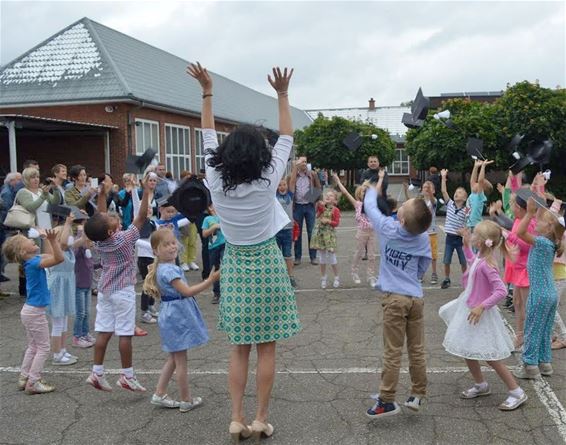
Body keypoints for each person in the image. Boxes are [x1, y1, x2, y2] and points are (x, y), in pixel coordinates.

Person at [188, 62, 301, 442]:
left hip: (234, 261)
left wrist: (207, 92)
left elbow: (206, 133)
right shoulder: (269, 179)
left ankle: (236, 418)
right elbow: (286, 135)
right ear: (260, 156)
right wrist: (282, 94)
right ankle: (260, 418)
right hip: (267, 261)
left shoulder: (216, 178)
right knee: (267, 346)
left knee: (239, 349)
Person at [363, 169, 432, 419]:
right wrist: (413, 277)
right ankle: (417, 394)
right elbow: (424, 264)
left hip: (395, 300)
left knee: (392, 351)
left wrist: (372, 189)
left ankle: (387, 400)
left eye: (403, 207)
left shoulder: (388, 228)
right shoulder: (422, 236)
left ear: (401, 220)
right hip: (416, 298)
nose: (401, 206)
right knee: (417, 349)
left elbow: (370, 206)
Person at [439, 221, 527, 410]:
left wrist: (482, 306)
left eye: (475, 235)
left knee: (491, 357)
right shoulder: (481, 256)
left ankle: (516, 391)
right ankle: (481, 384)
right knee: (467, 350)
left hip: (481, 315)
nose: (472, 237)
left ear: (482, 242)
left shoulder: (488, 264)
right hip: (470, 310)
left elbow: (501, 291)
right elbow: (472, 262)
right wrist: (465, 246)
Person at [84, 175, 151, 392]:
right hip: (122, 290)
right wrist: (145, 191)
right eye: (114, 221)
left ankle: (97, 372)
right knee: (125, 333)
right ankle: (127, 375)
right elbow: (141, 217)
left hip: (105, 289)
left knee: (103, 331)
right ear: (112, 231)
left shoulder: (99, 239)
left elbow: (100, 218)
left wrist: (102, 194)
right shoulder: (123, 239)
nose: (115, 218)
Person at [143, 228, 219, 412]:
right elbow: (187, 292)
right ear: (155, 251)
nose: (172, 247)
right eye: (166, 244)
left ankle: (159, 393)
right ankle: (186, 399)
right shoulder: (169, 270)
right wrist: (210, 280)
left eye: (173, 242)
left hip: (172, 314)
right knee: (181, 361)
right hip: (176, 315)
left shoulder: (164, 268)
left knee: (174, 358)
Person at [2, 228, 64, 394]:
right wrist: (52, 240)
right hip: (34, 313)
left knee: (33, 346)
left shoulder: (33, 261)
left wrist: (47, 239)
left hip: (30, 311)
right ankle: (33, 382)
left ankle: (24, 377)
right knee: (43, 347)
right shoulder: (34, 264)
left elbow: (50, 256)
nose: (32, 241)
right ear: (23, 251)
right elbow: (59, 258)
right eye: (28, 241)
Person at [514, 198, 565, 379]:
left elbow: (520, 232)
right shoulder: (551, 243)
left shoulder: (543, 243)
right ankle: (545, 364)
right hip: (549, 294)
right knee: (544, 330)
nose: (537, 219)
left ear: (549, 228)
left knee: (533, 329)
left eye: (541, 219)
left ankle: (530, 366)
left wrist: (528, 213)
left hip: (540, 294)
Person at [503, 190, 536, 350]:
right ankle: (520, 334)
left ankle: (529, 338)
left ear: (521, 207)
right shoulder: (518, 219)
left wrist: (507, 235)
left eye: (513, 205)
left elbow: (527, 244)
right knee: (516, 302)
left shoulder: (529, 222)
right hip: (517, 267)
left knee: (526, 305)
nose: (511, 208)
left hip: (525, 268)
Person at [333, 173, 375, 287]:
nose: (365, 194)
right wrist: (338, 181)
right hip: (362, 232)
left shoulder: (372, 205)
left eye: (367, 192)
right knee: (359, 253)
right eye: (363, 192)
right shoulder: (358, 204)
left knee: (371, 255)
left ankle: (371, 276)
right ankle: (354, 271)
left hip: (371, 232)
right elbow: (346, 193)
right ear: (359, 194)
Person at [47, 216, 79, 365]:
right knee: (58, 323)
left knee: (64, 321)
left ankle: (62, 350)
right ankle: (56, 355)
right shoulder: (59, 248)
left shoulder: (68, 251)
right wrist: (67, 223)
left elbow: (74, 242)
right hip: (57, 287)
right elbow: (64, 242)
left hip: (65, 285)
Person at [289, 156, 321, 266]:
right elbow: (290, 188)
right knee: (297, 232)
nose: (304, 164)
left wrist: (313, 200)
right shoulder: (292, 175)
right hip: (297, 206)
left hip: (309, 206)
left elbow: (318, 188)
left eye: (305, 162)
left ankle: (313, 257)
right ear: (297, 163)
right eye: (302, 161)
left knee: (311, 232)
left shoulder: (312, 174)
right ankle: (298, 257)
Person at [439, 169, 469, 289]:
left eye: (460, 192)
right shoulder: (450, 204)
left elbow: (468, 223)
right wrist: (443, 177)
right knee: (446, 260)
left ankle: (466, 279)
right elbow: (443, 190)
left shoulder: (466, 209)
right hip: (449, 238)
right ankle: (447, 279)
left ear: (465, 198)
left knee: (463, 261)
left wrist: (465, 232)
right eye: (456, 192)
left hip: (460, 239)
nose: (457, 193)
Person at [311, 189, 341, 289]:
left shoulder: (335, 210)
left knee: (332, 257)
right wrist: (319, 206)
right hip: (321, 235)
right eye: (326, 195)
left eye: (331, 196)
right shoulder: (321, 207)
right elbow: (317, 214)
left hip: (330, 236)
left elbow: (336, 223)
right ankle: (323, 277)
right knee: (322, 257)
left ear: (335, 200)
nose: (328, 197)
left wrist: (328, 221)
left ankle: (336, 277)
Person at [73, 222, 96, 348]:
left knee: (86, 312)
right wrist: (81, 234)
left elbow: (91, 266)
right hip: (79, 286)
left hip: (87, 286)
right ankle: (77, 337)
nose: (92, 243)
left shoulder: (88, 251)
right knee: (80, 313)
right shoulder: (79, 249)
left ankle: (85, 333)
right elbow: (73, 247)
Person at [275, 178, 297, 288]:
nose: (282, 187)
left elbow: (292, 180)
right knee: (277, 256)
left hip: (288, 230)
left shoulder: (290, 195)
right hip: (277, 230)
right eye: (279, 185)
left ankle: (290, 276)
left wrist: (295, 166)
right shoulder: (274, 197)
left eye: (284, 184)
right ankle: (278, 277)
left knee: (287, 255)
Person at [202, 204, 225, 304]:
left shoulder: (224, 216)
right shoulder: (207, 219)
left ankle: (227, 292)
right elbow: (204, 234)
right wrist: (214, 227)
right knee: (215, 268)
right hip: (213, 247)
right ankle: (217, 293)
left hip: (224, 244)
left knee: (225, 265)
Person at [467, 160, 493, 231]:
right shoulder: (473, 194)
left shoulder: (480, 197)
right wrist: (475, 167)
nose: (475, 183)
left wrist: (483, 166)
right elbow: (472, 180)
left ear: (482, 189)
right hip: (470, 225)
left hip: (475, 226)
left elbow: (480, 180)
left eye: (477, 183)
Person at [421, 180, 438, 285]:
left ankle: (434, 273)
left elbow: (432, 200)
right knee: (422, 255)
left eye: (429, 187)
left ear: (433, 191)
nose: (426, 189)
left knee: (433, 255)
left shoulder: (433, 201)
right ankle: (421, 274)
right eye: (424, 187)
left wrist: (430, 193)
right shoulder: (420, 202)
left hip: (432, 233)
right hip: (422, 233)